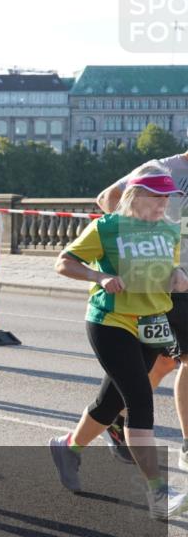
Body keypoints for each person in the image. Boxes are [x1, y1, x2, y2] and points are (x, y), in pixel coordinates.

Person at [51, 164, 188, 519]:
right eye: (157, 197)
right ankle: (158, 493)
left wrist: (177, 275)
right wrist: (99, 277)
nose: (164, 204)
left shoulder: (169, 231)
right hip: (110, 322)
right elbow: (63, 263)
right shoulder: (106, 228)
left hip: (151, 324)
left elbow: (169, 268)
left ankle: (68, 447)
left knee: (109, 403)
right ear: (136, 196)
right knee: (140, 401)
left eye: (168, 198)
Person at [97, 151, 188, 472]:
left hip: (183, 283)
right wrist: (135, 244)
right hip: (159, 281)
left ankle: (117, 415)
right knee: (167, 360)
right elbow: (108, 198)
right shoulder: (163, 169)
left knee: (166, 362)